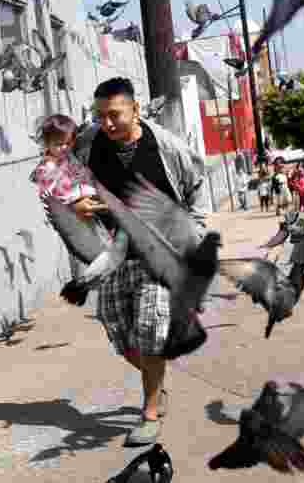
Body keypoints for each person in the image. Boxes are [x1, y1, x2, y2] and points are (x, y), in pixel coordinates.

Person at [71, 77, 212, 447]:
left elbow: (197, 183)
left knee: (150, 329)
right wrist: (78, 201)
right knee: (121, 333)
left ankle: (148, 413)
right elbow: (69, 179)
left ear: (135, 109)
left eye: (115, 115)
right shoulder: (89, 143)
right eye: (100, 116)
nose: (107, 123)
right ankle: (158, 383)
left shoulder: (165, 145)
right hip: (117, 252)